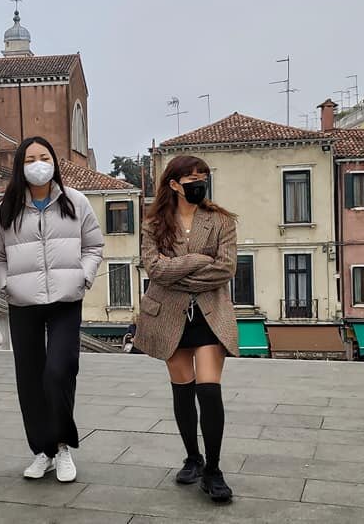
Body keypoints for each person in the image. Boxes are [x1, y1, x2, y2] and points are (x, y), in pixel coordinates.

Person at [0, 136, 104, 484]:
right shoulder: (4, 210)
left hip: (65, 301)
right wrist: (5, 284)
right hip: (22, 301)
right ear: (20, 167)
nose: (38, 164)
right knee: (29, 379)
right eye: (30, 159)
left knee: (59, 371)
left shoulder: (76, 202)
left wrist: (83, 277)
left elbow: (94, 245)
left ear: (53, 161)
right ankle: (42, 450)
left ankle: (62, 445)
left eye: (44, 157)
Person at [134, 155, 239, 503]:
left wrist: (177, 269)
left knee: (209, 390)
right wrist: (197, 261)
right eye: (191, 177)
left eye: (203, 176)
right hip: (169, 315)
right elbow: (155, 270)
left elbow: (225, 269)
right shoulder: (153, 224)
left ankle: (213, 469)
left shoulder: (221, 220)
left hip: (210, 313)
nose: (198, 182)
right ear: (174, 184)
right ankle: (192, 458)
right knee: (183, 390)